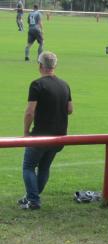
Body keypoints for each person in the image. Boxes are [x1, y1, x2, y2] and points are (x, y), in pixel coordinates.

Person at [19, 51, 73, 210]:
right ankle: (31, 197)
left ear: (40, 66)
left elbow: (30, 112)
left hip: (40, 136)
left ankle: (33, 200)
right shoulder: (65, 85)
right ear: (54, 66)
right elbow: (69, 109)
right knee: (44, 167)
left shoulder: (37, 85)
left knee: (28, 166)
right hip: (59, 136)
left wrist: (26, 132)